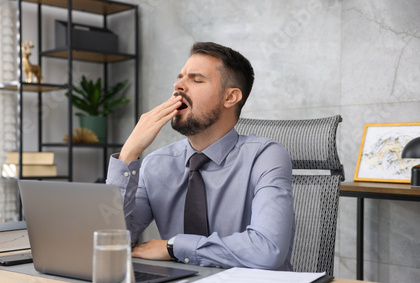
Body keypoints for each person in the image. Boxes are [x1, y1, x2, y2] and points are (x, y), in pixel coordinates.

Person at [106, 42, 295, 270]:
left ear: (230, 97)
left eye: (196, 80)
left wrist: (174, 247)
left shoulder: (265, 156)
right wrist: (129, 153)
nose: (178, 86)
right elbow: (111, 240)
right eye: (180, 78)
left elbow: (267, 251)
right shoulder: (156, 164)